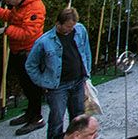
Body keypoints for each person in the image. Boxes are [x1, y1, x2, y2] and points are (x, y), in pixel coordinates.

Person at [0, 0, 47, 134]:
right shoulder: (20, 5)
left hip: (29, 51)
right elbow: (11, 17)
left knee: (32, 86)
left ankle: (37, 118)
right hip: (18, 50)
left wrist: (6, 30)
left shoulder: (35, 8)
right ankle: (30, 113)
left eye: (8, 0)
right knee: (25, 85)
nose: (7, 3)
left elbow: (28, 33)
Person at [26, 8, 92, 139]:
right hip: (57, 86)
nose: (71, 29)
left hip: (78, 81)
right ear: (58, 23)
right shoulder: (44, 41)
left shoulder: (80, 30)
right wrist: (43, 81)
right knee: (57, 119)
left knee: (79, 116)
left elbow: (86, 51)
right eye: (68, 26)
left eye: (73, 26)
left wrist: (87, 73)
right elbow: (30, 65)